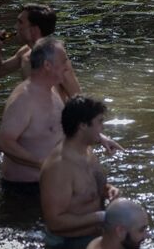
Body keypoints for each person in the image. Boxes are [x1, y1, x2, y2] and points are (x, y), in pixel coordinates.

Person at [40, 96, 120, 249]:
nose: (103, 127)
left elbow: (85, 189)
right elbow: (54, 222)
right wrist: (100, 217)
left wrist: (108, 189)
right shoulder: (59, 167)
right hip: (68, 243)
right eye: (100, 122)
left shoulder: (86, 150)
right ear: (83, 125)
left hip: (95, 235)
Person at [0, 37, 69, 196]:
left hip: (50, 182)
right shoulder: (24, 99)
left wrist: (98, 137)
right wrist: (42, 165)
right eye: (64, 61)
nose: (67, 67)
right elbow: (4, 143)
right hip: (25, 190)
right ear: (47, 66)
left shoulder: (52, 90)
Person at [0, 4, 86, 100]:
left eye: (20, 22)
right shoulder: (24, 52)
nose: (15, 27)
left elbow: (78, 99)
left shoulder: (56, 59)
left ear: (34, 30)